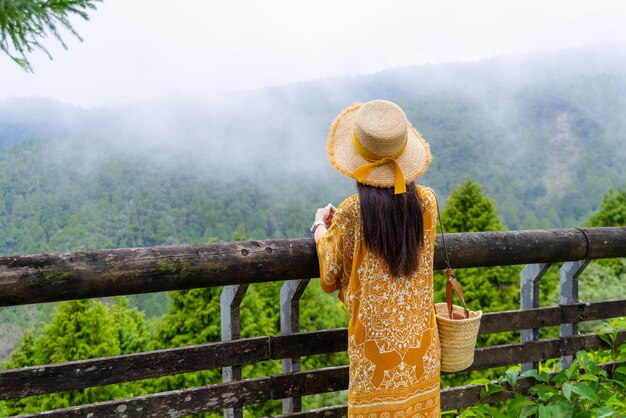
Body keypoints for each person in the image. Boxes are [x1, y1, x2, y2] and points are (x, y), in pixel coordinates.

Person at [313, 100, 440, 417]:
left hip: (376, 354)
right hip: (420, 349)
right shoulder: (427, 202)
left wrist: (320, 226)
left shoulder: (353, 212)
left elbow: (330, 275)